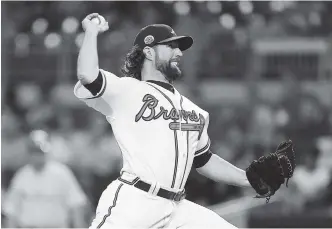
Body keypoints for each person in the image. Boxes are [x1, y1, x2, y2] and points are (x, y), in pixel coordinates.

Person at [75, 13, 253, 228]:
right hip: (137, 200)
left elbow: (204, 160)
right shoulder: (126, 90)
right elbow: (87, 74)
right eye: (171, 46)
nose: (179, 52)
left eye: (179, 48)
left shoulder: (194, 110)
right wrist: (91, 32)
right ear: (149, 51)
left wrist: (248, 178)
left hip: (178, 207)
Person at [3, 130, 88, 228]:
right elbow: (11, 209)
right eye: (34, 152)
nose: (37, 156)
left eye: (40, 152)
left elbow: (76, 204)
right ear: (29, 153)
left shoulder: (61, 173)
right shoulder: (22, 175)